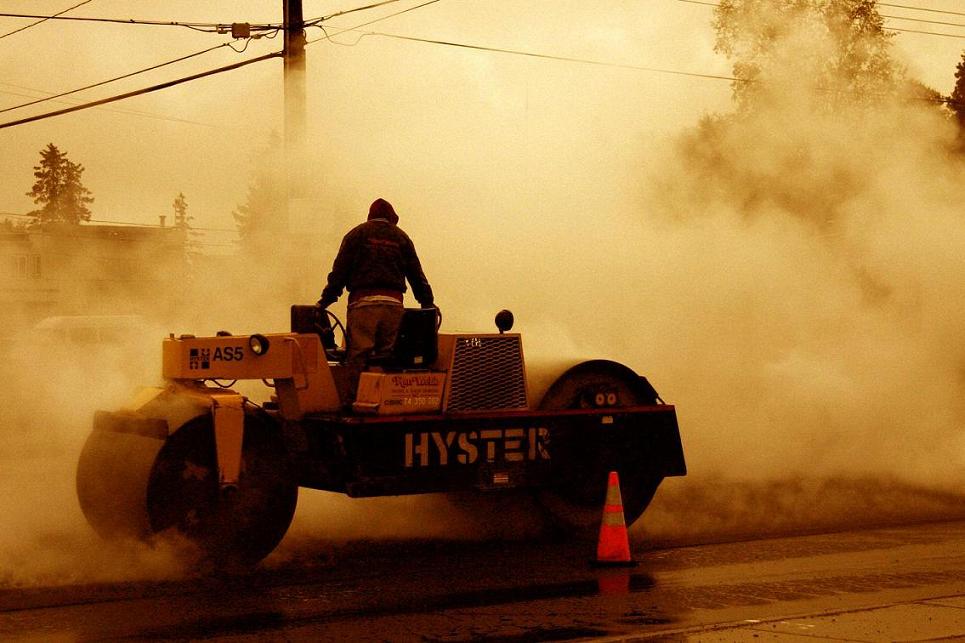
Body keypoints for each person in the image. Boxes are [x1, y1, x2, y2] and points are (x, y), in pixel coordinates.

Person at [318, 198, 435, 399]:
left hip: (363, 305)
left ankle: (355, 401)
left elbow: (339, 273)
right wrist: (427, 303)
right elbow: (416, 274)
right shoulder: (402, 238)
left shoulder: (356, 235)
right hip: (393, 306)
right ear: (392, 218)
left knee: (359, 355)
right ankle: (386, 400)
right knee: (388, 357)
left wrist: (324, 302)